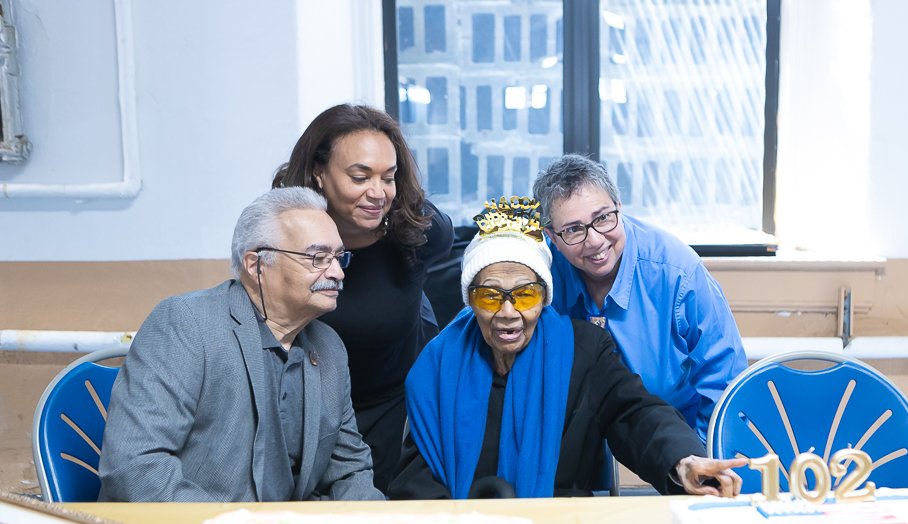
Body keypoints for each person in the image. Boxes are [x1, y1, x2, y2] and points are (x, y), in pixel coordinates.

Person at [389, 196, 746, 500]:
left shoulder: (585, 351)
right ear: (470, 300)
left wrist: (682, 460)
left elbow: (636, 414)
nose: (508, 313)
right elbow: (417, 479)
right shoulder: (439, 362)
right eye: (490, 296)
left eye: (525, 295)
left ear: (545, 297)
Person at [98, 188, 384, 502]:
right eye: (317, 258)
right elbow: (135, 466)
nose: (337, 272)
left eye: (339, 257)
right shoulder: (186, 324)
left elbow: (349, 470)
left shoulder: (328, 347)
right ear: (255, 265)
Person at [273, 104, 454, 493]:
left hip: (394, 409)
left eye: (388, 177)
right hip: (308, 409)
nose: (377, 193)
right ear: (319, 173)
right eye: (360, 177)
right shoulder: (280, 237)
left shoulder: (418, 234)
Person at [532, 154, 748, 442]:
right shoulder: (537, 271)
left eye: (603, 218)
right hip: (574, 427)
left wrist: (702, 456)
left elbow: (724, 379)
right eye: (573, 229)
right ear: (551, 235)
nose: (595, 241)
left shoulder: (678, 271)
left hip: (676, 425)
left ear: (619, 206)